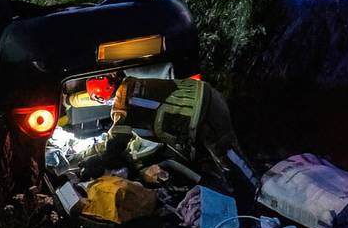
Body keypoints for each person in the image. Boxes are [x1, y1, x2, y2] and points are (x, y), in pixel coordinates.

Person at [99, 75, 257, 199]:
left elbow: (119, 135)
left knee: (228, 157)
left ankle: (261, 196)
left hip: (200, 113)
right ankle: (245, 193)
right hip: (203, 101)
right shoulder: (133, 83)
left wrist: (104, 160)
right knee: (222, 160)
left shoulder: (122, 99)